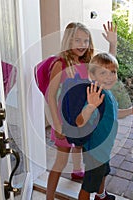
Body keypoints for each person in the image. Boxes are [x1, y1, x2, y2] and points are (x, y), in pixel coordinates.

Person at [46, 22, 117, 200]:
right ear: (68, 41)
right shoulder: (60, 63)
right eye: (77, 40)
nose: (82, 44)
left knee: (82, 150)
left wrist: (113, 44)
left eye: (86, 40)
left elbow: (106, 71)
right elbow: (51, 95)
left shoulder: (88, 60)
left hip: (83, 121)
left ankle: (79, 174)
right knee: (60, 162)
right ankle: (48, 197)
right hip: (65, 122)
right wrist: (56, 124)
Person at [72, 52, 133, 200]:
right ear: (92, 76)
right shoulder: (95, 96)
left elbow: (114, 113)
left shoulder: (107, 93)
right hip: (95, 151)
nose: (110, 76)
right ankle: (96, 194)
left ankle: (101, 196)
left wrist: (131, 111)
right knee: (88, 186)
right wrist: (91, 106)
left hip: (104, 149)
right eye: (103, 72)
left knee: (103, 172)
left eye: (113, 72)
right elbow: (80, 122)